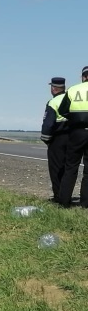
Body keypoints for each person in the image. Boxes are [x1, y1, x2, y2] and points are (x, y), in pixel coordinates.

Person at [57, 66, 88, 208]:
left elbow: (63, 111)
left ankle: (64, 201)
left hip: (76, 132)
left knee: (71, 167)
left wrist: (74, 120)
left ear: (83, 76)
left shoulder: (73, 90)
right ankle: (85, 203)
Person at [40, 77, 69, 203]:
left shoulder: (53, 102)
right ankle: (67, 195)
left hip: (58, 139)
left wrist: (46, 139)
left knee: (56, 169)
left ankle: (58, 197)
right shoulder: (70, 99)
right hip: (73, 138)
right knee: (69, 169)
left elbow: (48, 124)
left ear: (53, 88)